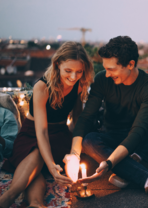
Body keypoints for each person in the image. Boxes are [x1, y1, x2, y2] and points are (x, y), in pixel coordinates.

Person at [65, 36, 148, 206]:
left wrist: (109, 163)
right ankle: (143, 175)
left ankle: (140, 166)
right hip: (112, 136)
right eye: (106, 68)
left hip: (142, 139)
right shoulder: (102, 79)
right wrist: (74, 154)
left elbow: (138, 131)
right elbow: (86, 117)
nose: (107, 73)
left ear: (130, 64)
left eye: (112, 69)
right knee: (89, 141)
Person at [0, 41, 94, 208]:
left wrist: (75, 152)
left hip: (59, 135)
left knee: (37, 166)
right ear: (57, 64)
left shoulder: (80, 84)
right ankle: (16, 199)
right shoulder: (42, 87)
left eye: (79, 71)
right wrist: (51, 166)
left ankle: (33, 203)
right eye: (68, 71)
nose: (73, 77)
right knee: (38, 156)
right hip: (32, 133)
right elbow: (41, 132)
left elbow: (77, 120)